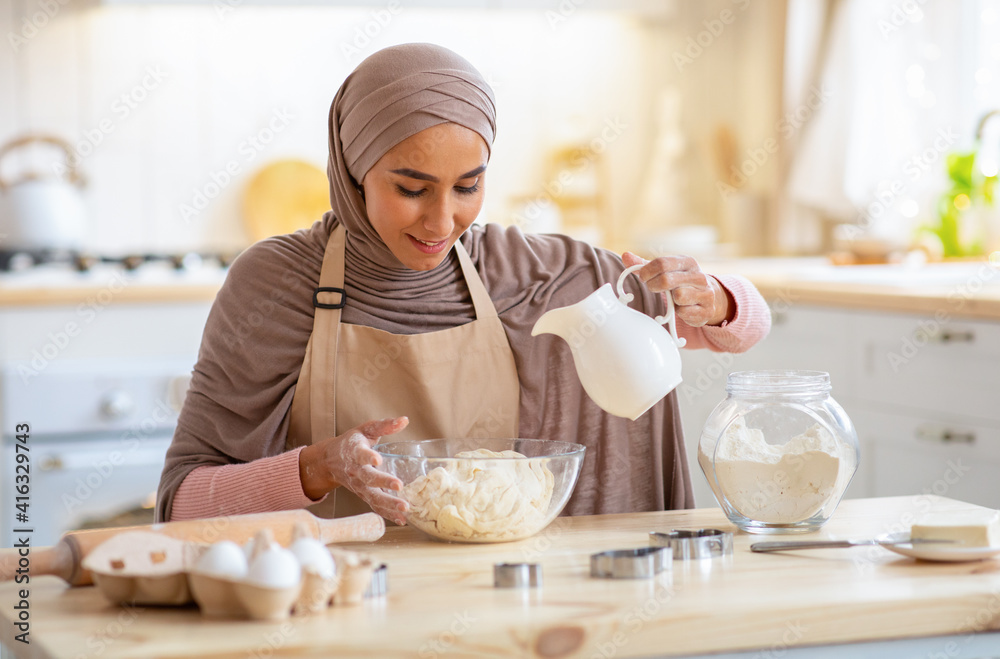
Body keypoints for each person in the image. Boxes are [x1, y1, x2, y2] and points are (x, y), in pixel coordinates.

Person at [156, 43, 771, 525]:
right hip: (337, 613)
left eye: (468, 187)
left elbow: (740, 328)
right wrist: (314, 470)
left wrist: (715, 298)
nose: (442, 221)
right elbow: (181, 502)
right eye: (411, 188)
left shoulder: (523, 270)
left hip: (498, 603)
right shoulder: (275, 283)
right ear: (352, 170)